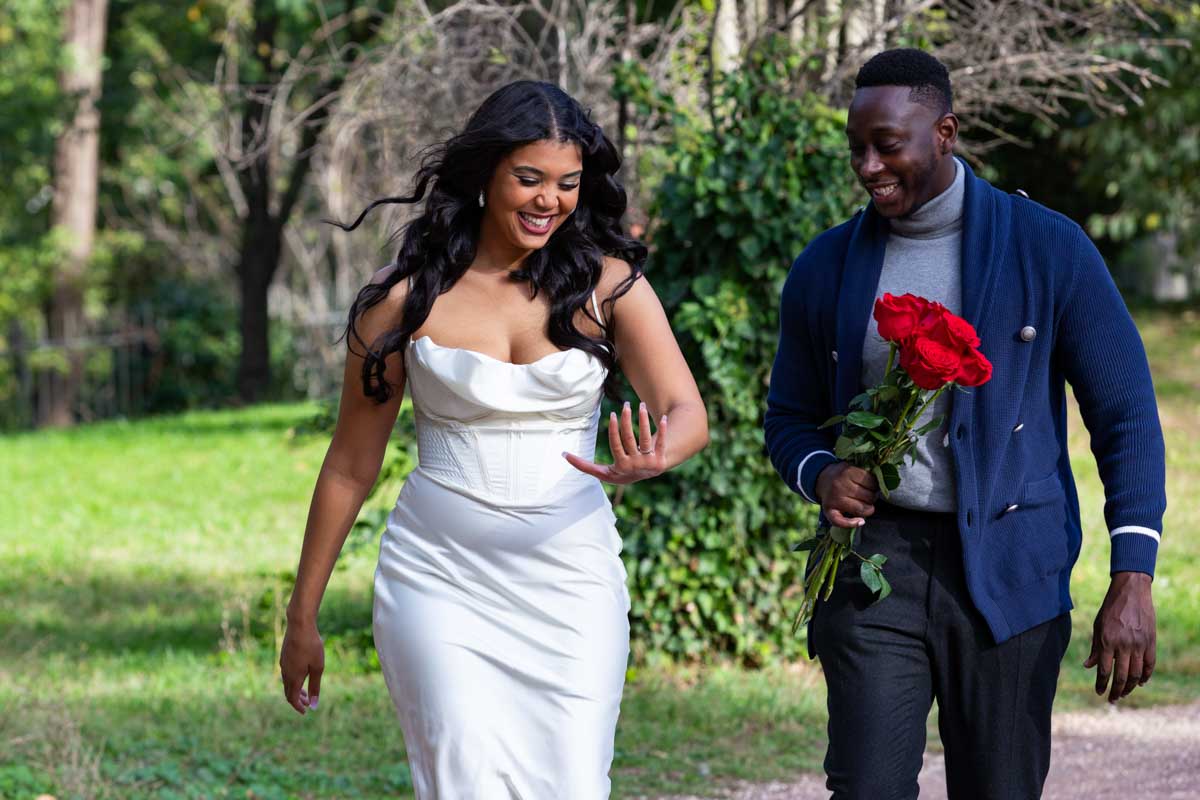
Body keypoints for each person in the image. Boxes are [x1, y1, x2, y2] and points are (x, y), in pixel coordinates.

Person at [278, 80, 708, 798]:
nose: (551, 200)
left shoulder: (610, 286)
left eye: (568, 184)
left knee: (573, 781)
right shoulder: (403, 299)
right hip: (437, 579)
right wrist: (302, 615)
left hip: (571, 578)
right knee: (463, 781)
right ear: (485, 176)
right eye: (529, 179)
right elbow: (351, 466)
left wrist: (660, 452)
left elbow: (686, 410)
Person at [764, 49, 1165, 799]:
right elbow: (786, 419)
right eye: (857, 148)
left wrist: (1133, 576)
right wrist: (821, 474)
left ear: (945, 132)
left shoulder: (1047, 249)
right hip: (874, 571)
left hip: (1012, 568)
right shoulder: (825, 267)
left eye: (889, 145)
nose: (869, 166)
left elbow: (1127, 415)